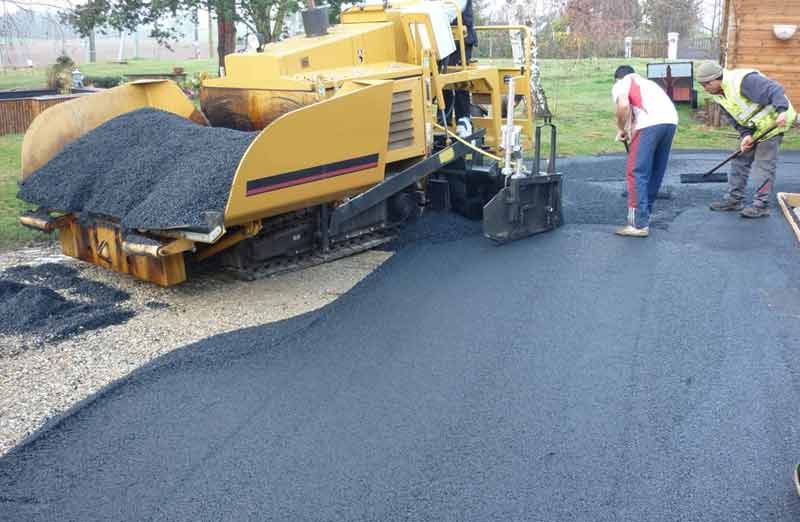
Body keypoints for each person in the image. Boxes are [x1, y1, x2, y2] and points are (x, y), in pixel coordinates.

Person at [696, 62, 796, 218]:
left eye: (706, 84)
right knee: (739, 159)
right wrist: (745, 135)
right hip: (755, 128)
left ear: (716, 79)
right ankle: (734, 199)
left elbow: (774, 89)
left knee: (763, 165)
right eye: (701, 85)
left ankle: (761, 205)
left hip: (775, 122)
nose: (704, 88)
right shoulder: (718, 95)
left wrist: (782, 110)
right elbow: (735, 118)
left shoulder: (743, 81)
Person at [612, 65, 679, 237]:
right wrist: (630, 130)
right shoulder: (649, 84)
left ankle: (638, 224)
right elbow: (637, 111)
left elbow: (623, 106)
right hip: (670, 122)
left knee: (637, 172)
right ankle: (645, 214)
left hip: (649, 124)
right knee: (656, 170)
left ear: (618, 78)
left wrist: (621, 128)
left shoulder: (622, 83)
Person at [439, 0, 477, 138]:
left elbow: (451, 10)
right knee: (442, 79)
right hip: (442, 39)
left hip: (461, 39)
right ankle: (444, 120)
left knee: (459, 79)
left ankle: (464, 119)